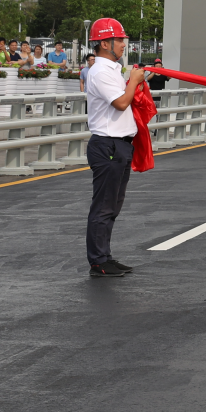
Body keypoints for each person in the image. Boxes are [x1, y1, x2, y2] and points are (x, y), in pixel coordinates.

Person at [82, 17, 146, 278]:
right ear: (105, 43)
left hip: (118, 145)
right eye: (119, 40)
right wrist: (133, 81)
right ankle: (98, 261)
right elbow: (120, 103)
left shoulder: (111, 70)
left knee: (112, 206)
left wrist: (134, 80)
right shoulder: (100, 71)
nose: (123, 44)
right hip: (108, 145)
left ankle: (105, 256)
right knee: (104, 206)